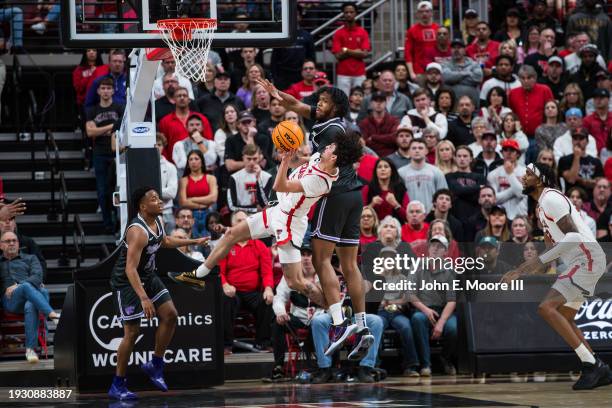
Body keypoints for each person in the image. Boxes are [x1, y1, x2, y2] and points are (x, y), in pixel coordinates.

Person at [172, 131, 362, 315]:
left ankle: (335, 310)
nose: (327, 146)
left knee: (295, 282)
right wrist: (291, 153)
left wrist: (284, 161)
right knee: (231, 235)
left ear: (334, 158)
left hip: (289, 222)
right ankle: (198, 276)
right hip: (277, 212)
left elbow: (280, 185)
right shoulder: (319, 159)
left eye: (331, 147)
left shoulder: (321, 181)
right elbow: (299, 162)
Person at [255, 79, 374, 360]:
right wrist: (275, 93)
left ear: (337, 107)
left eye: (323, 101)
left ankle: (338, 323)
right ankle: (362, 324)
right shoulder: (329, 121)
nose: (317, 103)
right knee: (349, 264)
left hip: (334, 195)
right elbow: (295, 104)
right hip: (355, 196)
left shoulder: (332, 128)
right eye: (318, 100)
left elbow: (330, 160)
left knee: (321, 260)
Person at [502, 162, 612, 390]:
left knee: (547, 308)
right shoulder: (541, 206)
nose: (524, 177)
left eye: (529, 174)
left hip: (586, 258)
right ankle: (596, 366)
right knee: (564, 315)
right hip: (583, 260)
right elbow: (551, 246)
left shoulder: (551, 198)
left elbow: (572, 237)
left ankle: (593, 365)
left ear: (541, 178)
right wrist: (526, 271)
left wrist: (523, 268)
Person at [108, 187, 208, 400]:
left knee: (171, 315)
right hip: (127, 282)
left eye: (159, 198)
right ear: (143, 206)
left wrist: (193, 241)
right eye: (154, 199)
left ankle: (155, 364)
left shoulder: (158, 222)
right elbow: (130, 269)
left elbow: (166, 242)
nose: (160, 201)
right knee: (132, 333)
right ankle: (117, 384)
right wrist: (144, 298)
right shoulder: (137, 231)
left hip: (148, 276)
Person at [1, 231, 59, 363]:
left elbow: (38, 276)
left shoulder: (31, 258)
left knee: (31, 304)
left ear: (18, 243)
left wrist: (19, 285)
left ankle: (30, 350)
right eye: (7, 241)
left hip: (31, 298)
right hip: (10, 301)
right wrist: (22, 286)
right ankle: (52, 315)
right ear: (1, 246)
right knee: (34, 289)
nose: (11, 243)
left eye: (14, 240)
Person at [268, 244, 324, 382]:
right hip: (298, 319)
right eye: (302, 255)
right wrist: (281, 312)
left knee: (322, 323)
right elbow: (279, 297)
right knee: (277, 324)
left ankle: (324, 367)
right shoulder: (290, 277)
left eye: (309, 255)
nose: (306, 258)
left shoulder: (325, 275)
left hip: (319, 318)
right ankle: (279, 367)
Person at [409, 235, 458, 376]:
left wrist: (441, 323)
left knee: (453, 328)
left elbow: (452, 300)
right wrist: (425, 310)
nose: (435, 249)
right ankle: (426, 365)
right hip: (423, 309)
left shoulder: (450, 270)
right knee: (418, 319)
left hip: (444, 311)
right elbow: (410, 294)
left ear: (446, 252)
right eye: (433, 246)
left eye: (440, 246)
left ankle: (446, 359)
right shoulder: (417, 265)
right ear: (428, 248)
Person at [86, 77, 124, 233]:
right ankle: (107, 223)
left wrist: (100, 129)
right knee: (103, 190)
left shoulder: (120, 107)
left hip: (117, 153)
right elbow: (90, 132)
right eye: (103, 88)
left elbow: (121, 129)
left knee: (118, 188)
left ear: (113, 90)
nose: (106, 91)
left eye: (109, 88)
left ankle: (118, 221)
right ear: (98, 91)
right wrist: (112, 126)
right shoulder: (92, 110)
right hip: (100, 153)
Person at [374, 246, 419, 377]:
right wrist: (382, 302)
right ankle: (374, 365)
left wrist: (391, 302)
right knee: (376, 326)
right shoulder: (374, 278)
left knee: (406, 327)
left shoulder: (402, 278)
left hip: (397, 312)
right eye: (385, 257)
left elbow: (407, 298)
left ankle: (411, 366)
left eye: (391, 258)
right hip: (380, 312)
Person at [398, 139, 448, 213]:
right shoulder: (400, 172)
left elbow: (444, 195)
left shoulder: (436, 172)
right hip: (409, 215)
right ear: (409, 151)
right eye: (414, 148)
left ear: (426, 151)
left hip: (431, 215)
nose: (417, 151)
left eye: (420, 148)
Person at [332, 2, 371, 96]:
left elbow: (364, 54)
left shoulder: (363, 32)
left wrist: (346, 50)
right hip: (343, 74)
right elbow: (338, 56)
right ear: (343, 14)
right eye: (346, 12)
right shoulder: (338, 33)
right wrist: (356, 51)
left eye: (351, 12)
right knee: (343, 102)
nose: (349, 14)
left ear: (356, 13)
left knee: (361, 99)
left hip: (359, 73)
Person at [177, 150, 218, 238]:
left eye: (196, 159)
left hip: (208, 213)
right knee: (192, 239)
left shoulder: (211, 178)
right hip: (191, 215)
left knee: (208, 240)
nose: (193, 162)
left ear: (202, 162)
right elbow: (183, 202)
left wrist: (192, 199)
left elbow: (213, 198)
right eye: (190, 159)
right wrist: (203, 203)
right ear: (188, 164)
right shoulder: (183, 180)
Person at [508, 65, 554, 139]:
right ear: (519, 79)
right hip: (519, 136)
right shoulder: (513, 93)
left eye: (529, 78)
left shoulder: (545, 90)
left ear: (535, 78)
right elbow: (512, 113)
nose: (526, 81)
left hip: (541, 136)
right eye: (523, 78)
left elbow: (552, 112)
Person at [558, 128, 604, 199]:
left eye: (581, 138)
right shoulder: (564, 160)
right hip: (571, 199)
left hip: (590, 200)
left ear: (587, 141)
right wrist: (577, 157)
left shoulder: (596, 161)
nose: (578, 141)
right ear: (572, 141)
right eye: (575, 138)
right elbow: (571, 179)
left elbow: (598, 184)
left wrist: (579, 179)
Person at [226, 144, 273, 214]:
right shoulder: (234, 178)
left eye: (255, 159)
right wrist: (254, 209)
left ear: (259, 158)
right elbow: (231, 206)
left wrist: (258, 179)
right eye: (248, 159)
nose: (251, 162)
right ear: (243, 158)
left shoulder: (268, 177)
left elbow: (269, 203)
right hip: (243, 217)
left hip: (262, 216)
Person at [487, 139, 527, 220]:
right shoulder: (493, 174)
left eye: (512, 150)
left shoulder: (526, 172)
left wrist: (510, 174)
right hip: (500, 217)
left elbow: (521, 194)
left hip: (521, 217)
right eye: (505, 150)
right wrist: (515, 190)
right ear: (502, 153)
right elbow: (494, 199)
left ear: (518, 154)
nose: (508, 153)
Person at [362, 158, 410, 223]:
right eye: (379, 167)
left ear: (392, 170)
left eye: (386, 167)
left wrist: (396, 204)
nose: (383, 169)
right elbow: (361, 215)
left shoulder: (400, 188)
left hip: (395, 228)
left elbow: (408, 217)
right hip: (374, 228)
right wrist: (372, 204)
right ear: (375, 171)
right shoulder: (368, 189)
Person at [446, 145, 486, 221]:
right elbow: (457, 190)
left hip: (475, 216)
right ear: (455, 158)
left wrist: (461, 194)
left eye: (465, 156)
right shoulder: (449, 176)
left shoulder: (480, 177)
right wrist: (478, 187)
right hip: (456, 216)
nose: (462, 159)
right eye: (459, 156)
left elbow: (478, 197)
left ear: (471, 158)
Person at [442, 38, 483, 108]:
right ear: (450, 50)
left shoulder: (474, 64)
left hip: (472, 106)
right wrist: (466, 73)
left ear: (464, 50)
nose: (456, 50)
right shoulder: (445, 64)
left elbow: (478, 78)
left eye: (459, 48)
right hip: (451, 107)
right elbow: (446, 77)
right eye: (454, 48)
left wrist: (454, 80)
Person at [404, 1, 439, 81]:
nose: (424, 14)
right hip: (419, 71)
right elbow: (408, 53)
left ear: (431, 13)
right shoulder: (412, 30)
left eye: (427, 11)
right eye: (421, 12)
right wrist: (411, 72)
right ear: (417, 14)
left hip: (436, 70)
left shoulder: (438, 29)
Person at [358, 91, 400, 156]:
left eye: (381, 101)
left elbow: (394, 138)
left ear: (386, 103)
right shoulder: (364, 123)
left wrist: (373, 137)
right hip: (371, 157)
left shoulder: (394, 121)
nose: (378, 103)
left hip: (391, 156)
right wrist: (386, 140)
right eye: (376, 101)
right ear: (371, 103)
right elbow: (365, 143)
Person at [155, 133, 178, 231]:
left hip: (167, 212)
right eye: (153, 145)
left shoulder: (170, 167)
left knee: (170, 245)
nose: (156, 147)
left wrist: (151, 192)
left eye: (159, 145)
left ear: (163, 147)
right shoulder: (142, 167)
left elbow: (172, 193)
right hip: (148, 213)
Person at [582, 88, 612, 153]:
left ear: (608, 99)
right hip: (594, 155)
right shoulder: (587, 120)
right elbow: (584, 140)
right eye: (596, 98)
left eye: (602, 97)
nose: (598, 100)